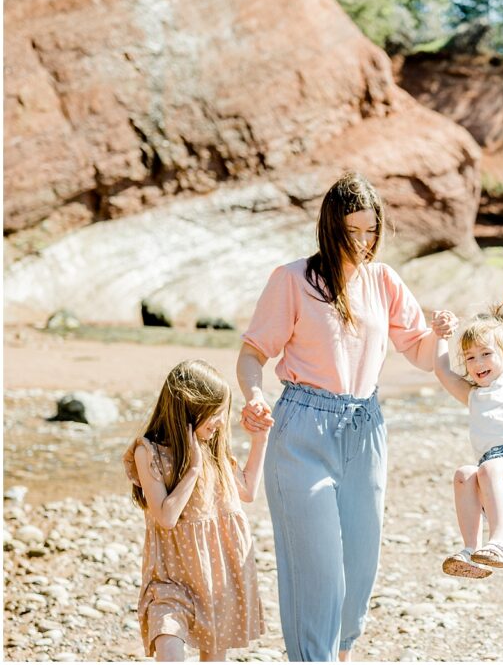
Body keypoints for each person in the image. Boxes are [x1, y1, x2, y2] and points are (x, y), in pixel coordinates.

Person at [236, 172, 453, 661]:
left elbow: (418, 352)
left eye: (371, 230)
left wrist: (438, 333)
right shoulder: (292, 280)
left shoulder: (385, 280)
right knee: (316, 572)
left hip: (365, 430)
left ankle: (340, 653)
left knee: (358, 572)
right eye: (352, 231)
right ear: (329, 228)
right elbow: (251, 355)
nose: (363, 241)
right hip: (301, 432)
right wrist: (254, 395)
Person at [123, 359, 267, 662]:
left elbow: (248, 491)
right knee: (168, 645)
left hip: (218, 577)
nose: (219, 422)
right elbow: (165, 516)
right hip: (170, 581)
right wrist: (191, 471)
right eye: (214, 413)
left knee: (214, 657)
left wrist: (260, 439)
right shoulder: (148, 453)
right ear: (188, 409)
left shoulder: (215, 451)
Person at [430, 292, 503, 579]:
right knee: (463, 474)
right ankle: (472, 551)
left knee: (489, 468)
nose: (477, 362)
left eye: (486, 354)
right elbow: (442, 370)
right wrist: (441, 337)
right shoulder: (473, 395)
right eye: (470, 357)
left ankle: (501, 543)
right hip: (490, 474)